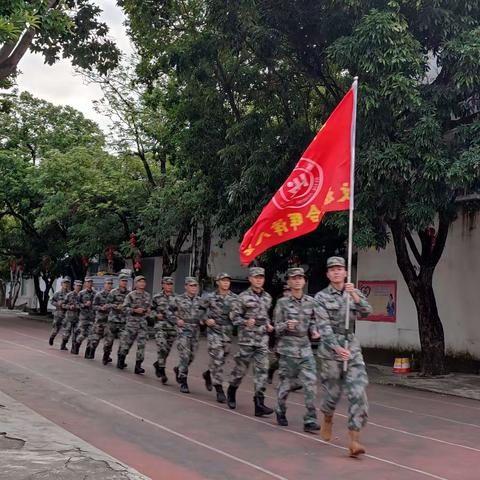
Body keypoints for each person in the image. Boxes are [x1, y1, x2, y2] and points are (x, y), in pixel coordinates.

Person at [274, 267, 349, 433]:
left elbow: (315, 320)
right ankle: (280, 409)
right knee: (286, 384)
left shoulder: (311, 301)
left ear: (304, 281)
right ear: (289, 282)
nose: (297, 281)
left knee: (310, 383)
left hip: (305, 348)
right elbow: (275, 328)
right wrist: (286, 325)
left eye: (300, 278)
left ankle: (310, 419)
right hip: (287, 349)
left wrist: (314, 330)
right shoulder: (282, 303)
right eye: (294, 278)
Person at [314, 256, 372, 457]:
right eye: (333, 269)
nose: (337, 272)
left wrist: (355, 296)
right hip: (331, 352)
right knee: (333, 394)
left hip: (352, 349)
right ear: (328, 274)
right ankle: (328, 417)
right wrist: (337, 348)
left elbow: (367, 312)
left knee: (358, 393)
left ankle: (354, 440)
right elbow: (323, 327)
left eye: (340, 268)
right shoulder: (320, 298)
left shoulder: (352, 292)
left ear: (346, 272)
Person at [227, 267, 274, 417]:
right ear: (250, 279)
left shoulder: (267, 297)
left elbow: (266, 315)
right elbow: (234, 318)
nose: (259, 279)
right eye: (256, 277)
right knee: (240, 371)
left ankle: (259, 403)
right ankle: (232, 390)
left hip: (262, 340)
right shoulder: (242, 297)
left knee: (262, 372)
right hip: (247, 340)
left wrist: (268, 324)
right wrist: (245, 322)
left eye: (261, 277)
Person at [202, 273, 237, 403]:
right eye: (223, 280)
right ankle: (219, 389)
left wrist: (235, 316)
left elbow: (238, 313)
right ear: (218, 282)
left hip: (227, 333)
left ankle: (208, 374)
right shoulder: (210, 297)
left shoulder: (235, 298)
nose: (226, 283)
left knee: (222, 359)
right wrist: (206, 320)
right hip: (214, 331)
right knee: (217, 358)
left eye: (228, 280)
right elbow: (200, 310)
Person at [173, 277, 206, 393]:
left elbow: (205, 313)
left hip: (195, 331)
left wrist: (203, 320)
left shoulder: (200, 300)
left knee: (191, 356)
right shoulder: (178, 299)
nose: (193, 288)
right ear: (186, 286)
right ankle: (183, 380)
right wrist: (176, 319)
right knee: (185, 355)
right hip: (183, 331)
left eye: (195, 286)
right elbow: (168, 311)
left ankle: (179, 369)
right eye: (191, 286)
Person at [117, 275, 152, 374]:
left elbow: (150, 308)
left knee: (142, 345)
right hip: (131, 324)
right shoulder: (130, 295)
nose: (142, 284)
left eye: (143, 282)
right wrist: (134, 310)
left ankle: (138, 366)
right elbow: (124, 308)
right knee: (126, 344)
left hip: (142, 324)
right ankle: (121, 359)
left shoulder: (147, 295)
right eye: (140, 282)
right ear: (136, 284)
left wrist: (149, 311)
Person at [151, 276, 178, 384]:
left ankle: (158, 364)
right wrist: (155, 315)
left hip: (172, 328)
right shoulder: (157, 297)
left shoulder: (177, 298)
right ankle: (162, 371)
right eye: (167, 284)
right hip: (160, 327)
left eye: (171, 284)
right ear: (162, 285)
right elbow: (150, 310)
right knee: (162, 347)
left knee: (166, 350)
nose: (169, 286)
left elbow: (180, 311)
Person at [103, 274, 130, 365]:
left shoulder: (129, 294)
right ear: (119, 282)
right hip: (113, 321)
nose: (124, 283)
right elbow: (107, 304)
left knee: (124, 341)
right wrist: (116, 306)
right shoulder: (113, 292)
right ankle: (106, 356)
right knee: (109, 341)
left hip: (124, 322)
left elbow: (130, 306)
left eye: (126, 281)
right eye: (123, 281)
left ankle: (120, 361)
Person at [86, 278, 113, 359]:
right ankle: (91, 351)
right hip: (100, 320)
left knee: (109, 339)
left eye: (110, 284)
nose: (109, 285)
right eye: (107, 284)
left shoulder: (113, 295)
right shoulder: (99, 295)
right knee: (96, 337)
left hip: (110, 320)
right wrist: (101, 308)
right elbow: (93, 306)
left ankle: (106, 355)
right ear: (104, 285)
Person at [72, 277, 96, 355]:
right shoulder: (81, 293)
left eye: (91, 282)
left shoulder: (95, 293)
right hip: (83, 318)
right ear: (85, 284)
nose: (89, 284)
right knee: (82, 335)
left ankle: (88, 353)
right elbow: (77, 304)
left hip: (92, 318)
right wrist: (84, 305)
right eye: (88, 282)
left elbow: (98, 304)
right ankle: (76, 346)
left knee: (91, 336)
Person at [61, 280, 82, 352]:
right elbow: (63, 305)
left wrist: (80, 306)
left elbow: (84, 305)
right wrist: (69, 307)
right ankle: (63, 344)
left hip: (78, 318)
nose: (78, 287)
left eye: (79, 286)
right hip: (69, 317)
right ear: (74, 286)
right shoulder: (69, 295)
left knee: (76, 333)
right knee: (67, 333)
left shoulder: (82, 295)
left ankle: (74, 348)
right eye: (77, 286)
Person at [49, 277, 71, 347]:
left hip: (67, 314)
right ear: (62, 284)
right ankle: (52, 337)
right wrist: (57, 304)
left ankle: (63, 344)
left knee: (67, 330)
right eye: (64, 283)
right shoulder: (57, 293)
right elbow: (52, 301)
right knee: (55, 329)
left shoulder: (70, 294)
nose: (66, 285)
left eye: (67, 283)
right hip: (58, 313)